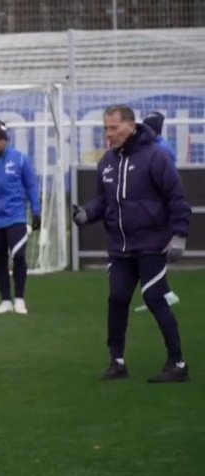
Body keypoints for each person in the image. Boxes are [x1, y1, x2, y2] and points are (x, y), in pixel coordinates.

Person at [72, 105, 190, 383]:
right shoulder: (107, 162)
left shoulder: (156, 158)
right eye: (106, 128)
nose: (108, 134)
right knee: (117, 300)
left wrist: (180, 234)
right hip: (120, 247)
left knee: (154, 298)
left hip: (152, 244)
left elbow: (177, 198)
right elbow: (102, 200)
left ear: (131, 126)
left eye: (113, 128)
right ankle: (117, 362)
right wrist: (86, 213)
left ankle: (178, 363)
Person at [0, 120, 40, 315]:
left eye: (0, 139)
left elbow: (31, 186)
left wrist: (36, 211)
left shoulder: (20, 159)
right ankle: (5, 300)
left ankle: (19, 299)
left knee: (19, 256)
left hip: (16, 217)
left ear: (6, 140)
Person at [135, 111, 180, 312]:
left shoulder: (160, 150)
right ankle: (164, 293)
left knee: (152, 250)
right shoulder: (161, 147)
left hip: (158, 208)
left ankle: (157, 295)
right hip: (156, 206)